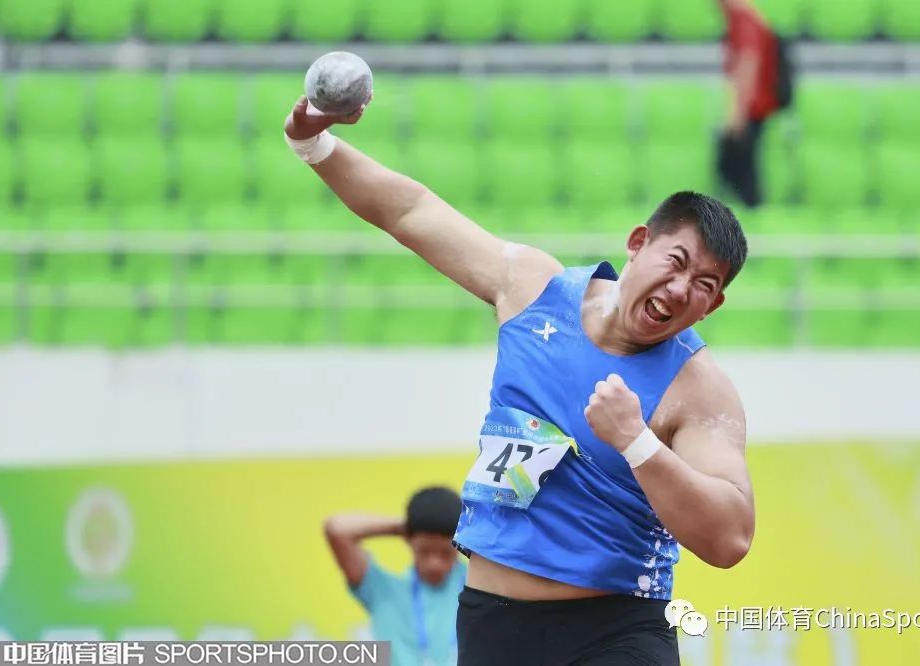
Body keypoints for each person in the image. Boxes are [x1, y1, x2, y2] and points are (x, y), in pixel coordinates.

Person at [288, 91, 755, 665]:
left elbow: (731, 538)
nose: (683, 289)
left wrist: (638, 442)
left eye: (705, 285)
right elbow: (410, 212)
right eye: (677, 262)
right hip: (491, 626)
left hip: (613, 632)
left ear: (713, 305)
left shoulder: (699, 389)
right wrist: (313, 142)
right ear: (638, 243)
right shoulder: (532, 289)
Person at [324, 486, 466, 666]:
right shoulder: (383, 590)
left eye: (446, 553)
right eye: (424, 551)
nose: (434, 564)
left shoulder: (479, 589)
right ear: (408, 540)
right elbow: (337, 529)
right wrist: (409, 525)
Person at [715, 0, 789, 208]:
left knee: (743, 176)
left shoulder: (744, 21)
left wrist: (737, 114)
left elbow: (748, 65)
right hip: (756, 108)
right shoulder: (751, 18)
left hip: (752, 109)